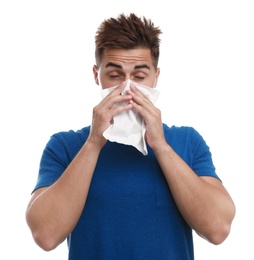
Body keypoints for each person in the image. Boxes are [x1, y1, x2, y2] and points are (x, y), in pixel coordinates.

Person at [26, 13, 235, 259]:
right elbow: (46, 236)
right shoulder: (64, 146)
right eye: (114, 76)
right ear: (97, 75)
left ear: (156, 77)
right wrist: (94, 142)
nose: (127, 88)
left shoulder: (187, 142)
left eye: (139, 76)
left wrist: (162, 146)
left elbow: (218, 229)